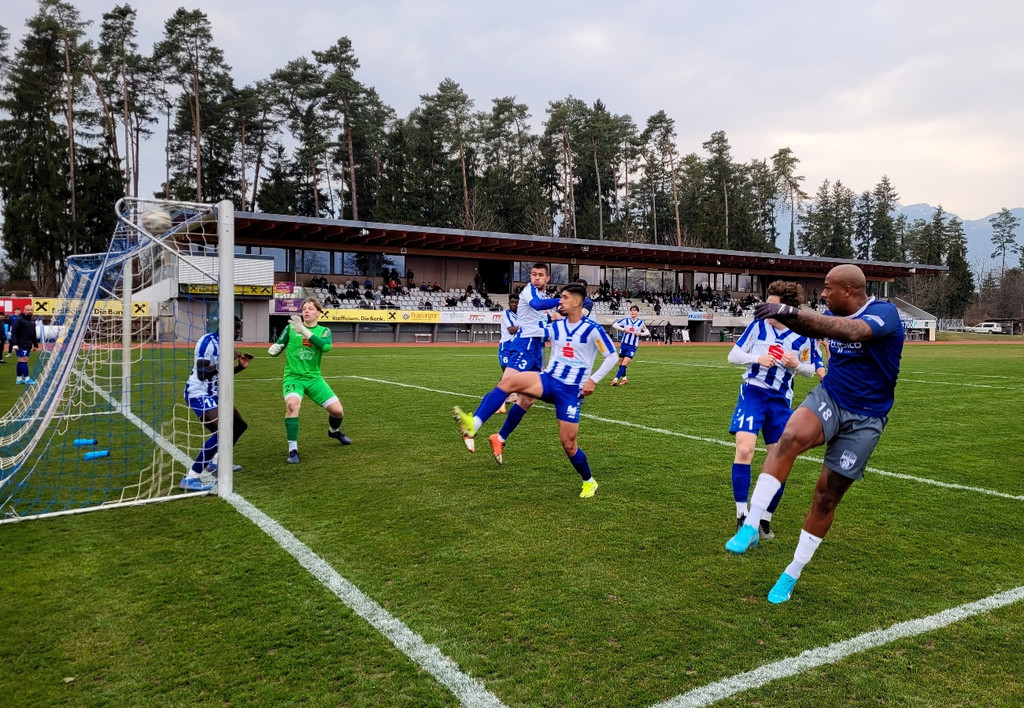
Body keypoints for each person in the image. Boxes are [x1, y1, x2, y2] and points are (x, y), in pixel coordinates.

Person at [725, 264, 904, 604]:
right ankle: (751, 523)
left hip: (866, 418)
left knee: (826, 496)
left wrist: (789, 312)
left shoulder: (885, 314)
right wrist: (782, 314)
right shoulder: (826, 312)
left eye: (827, 287)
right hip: (831, 397)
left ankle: (791, 573)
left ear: (848, 291)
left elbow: (850, 332)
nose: (823, 294)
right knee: (789, 439)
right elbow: (813, 328)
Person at [453, 283, 617, 497]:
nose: (561, 301)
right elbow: (536, 333)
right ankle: (474, 424)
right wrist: (525, 308)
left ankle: (589, 481)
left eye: (565, 297)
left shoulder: (592, 330)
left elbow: (611, 356)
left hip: (569, 391)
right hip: (548, 381)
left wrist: (593, 380)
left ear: (577, 302)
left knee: (568, 444)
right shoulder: (556, 327)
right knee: (508, 383)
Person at [725, 281, 824, 539]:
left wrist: (795, 365)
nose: (767, 309)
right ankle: (742, 515)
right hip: (753, 393)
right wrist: (756, 359)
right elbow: (733, 356)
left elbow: (811, 369)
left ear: (787, 308)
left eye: (773, 305)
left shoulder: (804, 336)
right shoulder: (758, 327)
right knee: (744, 449)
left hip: (781, 402)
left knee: (779, 461)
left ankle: (765, 519)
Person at [473, 263, 561, 462]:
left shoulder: (543, 297)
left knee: (527, 399)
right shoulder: (529, 292)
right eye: (533, 274)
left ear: (547, 279)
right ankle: (474, 423)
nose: (536, 278)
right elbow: (537, 307)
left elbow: (541, 318)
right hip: (525, 345)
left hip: (536, 349)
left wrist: (556, 319)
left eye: (540, 275)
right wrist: (563, 301)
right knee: (506, 385)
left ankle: (500, 437)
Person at [267, 297, 352, 463]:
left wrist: (304, 331)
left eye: (311, 308)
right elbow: (278, 346)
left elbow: (325, 346)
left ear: (319, 313)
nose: (306, 311)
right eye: (304, 308)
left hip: (314, 379)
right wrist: (274, 349)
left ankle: (333, 431)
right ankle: (293, 450)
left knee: (338, 412)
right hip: (293, 378)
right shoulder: (290, 328)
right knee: (292, 405)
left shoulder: (324, 331)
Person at [181, 317, 252, 491]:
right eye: (234, 328)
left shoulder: (225, 345)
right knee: (223, 431)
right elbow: (202, 374)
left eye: (238, 328)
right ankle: (191, 477)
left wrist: (239, 367)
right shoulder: (207, 342)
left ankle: (216, 462)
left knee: (239, 426)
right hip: (198, 392)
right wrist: (227, 360)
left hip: (215, 394)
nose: (237, 331)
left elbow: (220, 374)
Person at [609, 305, 650, 386]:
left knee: (625, 363)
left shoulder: (640, 322)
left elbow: (647, 332)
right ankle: (624, 379)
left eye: (634, 310)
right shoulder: (626, 320)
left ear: (637, 312)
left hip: (632, 346)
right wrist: (623, 329)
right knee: (620, 364)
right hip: (624, 344)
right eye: (631, 310)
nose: (633, 312)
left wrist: (640, 333)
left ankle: (615, 379)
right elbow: (615, 325)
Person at [496, 295, 520, 415]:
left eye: (516, 302)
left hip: (517, 347)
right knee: (506, 373)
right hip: (506, 347)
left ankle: (501, 398)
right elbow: (511, 329)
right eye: (512, 302)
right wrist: (526, 325)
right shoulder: (506, 314)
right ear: (509, 303)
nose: (514, 304)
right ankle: (499, 398)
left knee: (511, 374)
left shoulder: (521, 315)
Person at [11, 304, 38, 384]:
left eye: (31, 310)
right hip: (21, 344)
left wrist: (35, 344)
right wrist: (14, 344)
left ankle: (19, 379)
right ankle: (27, 379)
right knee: (24, 360)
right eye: (28, 310)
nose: (30, 311)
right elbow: (14, 332)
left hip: (28, 344)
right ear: (24, 310)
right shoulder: (19, 319)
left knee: (20, 360)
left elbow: (33, 333)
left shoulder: (32, 321)